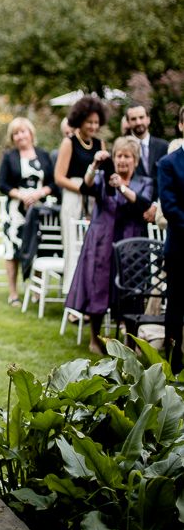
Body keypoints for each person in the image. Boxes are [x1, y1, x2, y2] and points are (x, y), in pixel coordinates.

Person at [65, 136, 153, 354]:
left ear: (135, 159)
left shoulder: (145, 182)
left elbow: (144, 203)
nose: (122, 160)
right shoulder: (103, 178)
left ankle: (131, 344)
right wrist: (94, 165)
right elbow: (85, 187)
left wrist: (122, 188)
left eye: (127, 156)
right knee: (98, 288)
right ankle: (95, 340)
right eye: (119, 156)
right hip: (102, 241)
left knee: (131, 293)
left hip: (131, 245)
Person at [0, 117, 57, 306]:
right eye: (16, 133)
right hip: (16, 211)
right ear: (12, 138)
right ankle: (13, 293)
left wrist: (39, 193)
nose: (20, 136)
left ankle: (36, 291)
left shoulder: (43, 155)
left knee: (37, 247)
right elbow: (2, 184)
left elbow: (54, 182)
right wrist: (22, 196)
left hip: (39, 210)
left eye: (23, 131)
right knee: (12, 250)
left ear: (31, 133)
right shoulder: (10, 157)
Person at [54, 95, 107, 294]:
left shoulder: (99, 144)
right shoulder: (69, 143)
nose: (93, 126)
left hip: (93, 201)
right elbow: (59, 177)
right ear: (80, 121)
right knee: (73, 247)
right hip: (73, 198)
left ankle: (90, 296)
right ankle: (72, 297)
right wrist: (82, 188)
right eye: (89, 122)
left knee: (92, 249)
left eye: (96, 122)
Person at [157, 104, 184, 374]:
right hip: (179, 246)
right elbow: (170, 207)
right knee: (176, 303)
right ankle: (174, 359)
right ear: (181, 126)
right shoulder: (168, 163)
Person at [125, 103, 169, 222]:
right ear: (128, 122)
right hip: (134, 215)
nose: (138, 122)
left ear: (148, 119)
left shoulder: (164, 146)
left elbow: (169, 181)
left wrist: (156, 205)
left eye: (141, 117)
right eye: (133, 119)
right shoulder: (123, 149)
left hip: (162, 212)